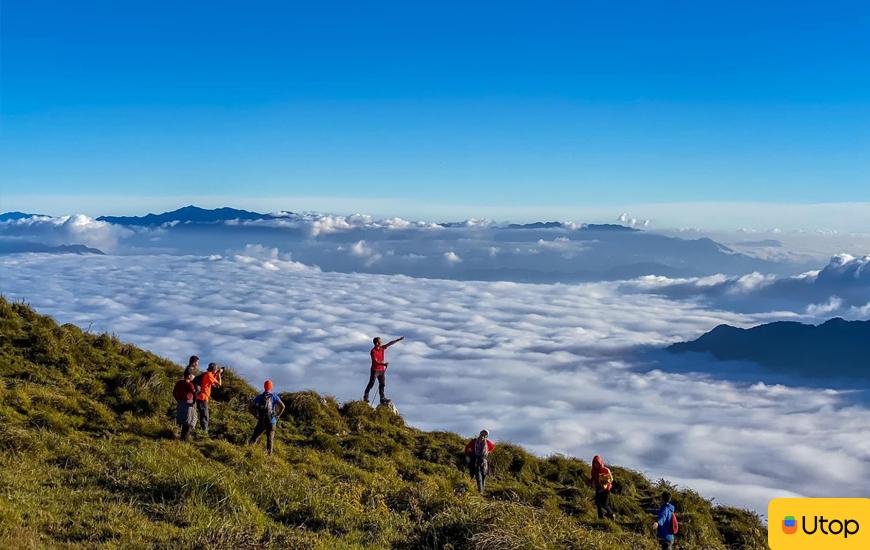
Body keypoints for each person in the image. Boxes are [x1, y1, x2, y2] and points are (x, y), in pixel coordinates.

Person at [249, 380, 286, 456]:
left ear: (264, 386)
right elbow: (283, 406)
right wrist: (277, 416)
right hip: (271, 421)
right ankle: (269, 456)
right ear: (271, 387)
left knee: (254, 437)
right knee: (270, 440)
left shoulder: (259, 397)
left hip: (261, 420)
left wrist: (255, 415)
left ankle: (249, 452)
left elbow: (250, 407)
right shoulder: (274, 396)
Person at [363, 336, 404, 404]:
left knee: (382, 384)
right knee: (371, 383)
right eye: (380, 342)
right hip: (375, 370)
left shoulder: (381, 348)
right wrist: (384, 364)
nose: (381, 343)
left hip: (381, 370)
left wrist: (397, 340)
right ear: (376, 343)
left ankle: (382, 398)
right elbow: (375, 361)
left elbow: (389, 344)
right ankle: (366, 397)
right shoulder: (373, 351)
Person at [194, 362, 223, 434]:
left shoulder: (207, 375)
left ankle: (202, 431)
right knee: (205, 415)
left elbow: (215, 386)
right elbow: (219, 384)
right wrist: (219, 374)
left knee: (203, 415)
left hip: (201, 397)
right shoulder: (209, 375)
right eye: (216, 370)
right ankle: (204, 433)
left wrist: (216, 374)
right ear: (214, 369)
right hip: (202, 398)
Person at [464, 429, 496, 494]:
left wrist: (489, 451)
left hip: (484, 461)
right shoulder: (474, 441)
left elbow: (493, 447)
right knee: (478, 476)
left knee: (483, 476)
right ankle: (480, 491)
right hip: (475, 460)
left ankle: (482, 491)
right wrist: (467, 455)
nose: (483, 435)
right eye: (482, 433)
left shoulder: (487, 442)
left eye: (485, 434)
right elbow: (467, 447)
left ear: (486, 436)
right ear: (480, 434)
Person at [172, 369, 198, 440]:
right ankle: (184, 439)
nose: (194, 376)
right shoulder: (190, 384)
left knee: (183, 421)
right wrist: (193, 402)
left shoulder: (179, 382)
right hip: (188, 403)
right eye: (193, 375)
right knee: (190, 421)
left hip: (180, 403)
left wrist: (178, 400)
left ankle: (181, 438)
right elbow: (195, 394)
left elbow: (174, 393)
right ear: (189, 376)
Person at [590, 455, 616, 520]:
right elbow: (593, 478)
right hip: (598, 488)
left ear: (600, 463)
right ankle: (600, 518)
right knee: (598, 503)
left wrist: (604, 488)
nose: (596, 465)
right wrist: (591, 482)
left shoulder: (605, 470)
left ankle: (612, 515)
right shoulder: (593, 471)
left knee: (604, 504)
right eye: (595, 463)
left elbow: (610, 480)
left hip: (606, 489)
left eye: (597, 463)